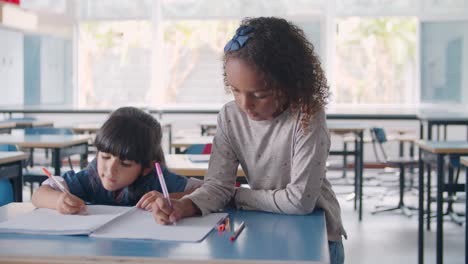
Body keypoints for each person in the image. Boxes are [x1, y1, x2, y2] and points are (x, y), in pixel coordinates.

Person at [152, 17, 346, 263]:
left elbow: (299, 202)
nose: (245, 105)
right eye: (235, 90)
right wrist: (186, 206)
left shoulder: (307, 116)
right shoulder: (230, 116)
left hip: (318, 238)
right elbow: (217, 186)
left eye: (260, 94)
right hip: (267, 227)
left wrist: (238, 195)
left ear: (289, 83)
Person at [32, 106, 202, 214]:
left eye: (125, 164)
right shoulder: (90, 178)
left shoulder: (157, 180)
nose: (110, 170)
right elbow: (39, 195)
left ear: (146, 167)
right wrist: (58, 201)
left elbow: (214, 194)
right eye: (105, 157)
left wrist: (172, 198)